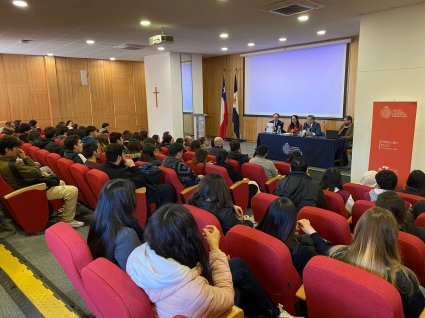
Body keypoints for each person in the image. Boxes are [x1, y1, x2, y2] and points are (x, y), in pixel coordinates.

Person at [127, 204, 283, 318]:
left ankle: (273, 312)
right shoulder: (193, 290)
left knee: (238, 265)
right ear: (188, 239)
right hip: (191, 300)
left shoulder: (137, 255)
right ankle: (274, 314)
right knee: (237, 292)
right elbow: (227, 297)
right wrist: (215, 248)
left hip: (174, 301)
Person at [329, 207, 425, 318]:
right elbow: (417, 312)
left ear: (359, 230)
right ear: (392, 238)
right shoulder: (404, 278)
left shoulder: (335, 254)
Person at [0, 136, 82, 227]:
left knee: (60, 182)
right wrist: (25, 158)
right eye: (16, 148)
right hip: (30, 192)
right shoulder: (14, 164)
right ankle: (68, 220)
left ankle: (62, 212)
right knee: (72, 190)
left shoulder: (2, 162)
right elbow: (36, 171)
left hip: (22, 188)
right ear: (7, 149)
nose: (18, 150)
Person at [258, 197, 329, 276]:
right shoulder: (301, 252)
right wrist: (312, 232)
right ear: (290, 223)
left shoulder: (260, 237)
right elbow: (330, 259)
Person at [87, 179, 143, 271]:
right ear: (127, 203)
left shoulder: (98, 221)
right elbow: (137, 273)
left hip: (107, 276)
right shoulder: (126, 235)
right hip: (125, 281)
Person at [99, 144, 174, 208]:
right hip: (135, 196)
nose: (124, 156)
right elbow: (141, 182)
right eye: (123, 155)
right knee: (167, 188)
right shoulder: (121, 173)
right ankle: (162, 216)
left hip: (118, 196)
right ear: (119, 157)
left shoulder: (102, 167)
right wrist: (133, 166)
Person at [189, 173, 254, 234]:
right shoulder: (225, 212)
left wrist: (232, 206)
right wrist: (248, 222)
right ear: (222, 189)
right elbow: (238, 232)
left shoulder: (194, 200)